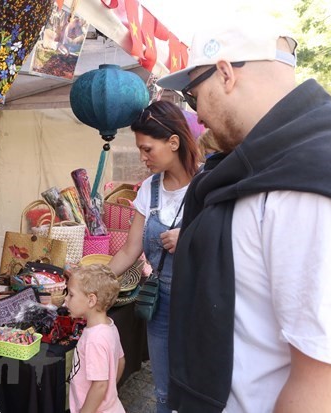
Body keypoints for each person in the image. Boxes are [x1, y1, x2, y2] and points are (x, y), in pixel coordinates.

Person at [156, 16, 331, 413]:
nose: (196, 113)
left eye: (191, 95)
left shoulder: (311, 183)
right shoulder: (261, 170)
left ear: (224, 74)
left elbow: (330, 383)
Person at [108, 100, 199, 413]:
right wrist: (97, 277)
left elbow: (230, 245)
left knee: (196, 387)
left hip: (198, 302)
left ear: (173, 142)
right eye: (140, 150)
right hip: (159, 299)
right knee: (163, 390)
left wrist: (189, 237)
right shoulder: (149, 188)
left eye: (147, 149)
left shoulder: (207, 184)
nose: (142, 157)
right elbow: (130, 250)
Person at [64, 264, 125, 413]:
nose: (66, 299)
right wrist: (109, 394)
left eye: (71, 295)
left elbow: (100, 385)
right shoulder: (110, 326)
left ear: (91, 300)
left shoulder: (94, 339)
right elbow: (121, 361)